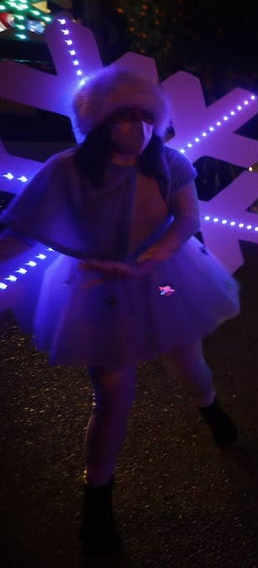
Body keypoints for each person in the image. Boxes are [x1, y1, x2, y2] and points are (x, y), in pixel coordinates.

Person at [0, 67, 241, 558]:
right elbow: (20, 230)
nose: (136, 125)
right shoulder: (66, 169)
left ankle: (210, 408)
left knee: (186, 362)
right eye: (123, 115)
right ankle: (97, 500)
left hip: (169, 281)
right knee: (112, 394)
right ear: (98, 121)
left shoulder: (169, 163)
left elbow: (188, 217)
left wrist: (152, 258)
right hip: (97, 289)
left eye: (144, 115)